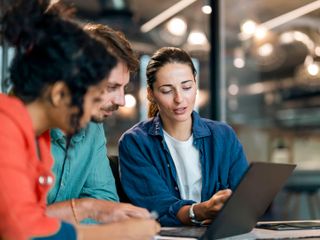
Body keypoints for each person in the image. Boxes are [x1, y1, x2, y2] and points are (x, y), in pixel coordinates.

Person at [0, 1, 159, 239]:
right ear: (59, 94)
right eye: (93, 97)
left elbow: (37, 221)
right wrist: (119, 232)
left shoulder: (38, 138)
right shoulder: (5, 127)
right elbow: (23, 231)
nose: (91, 112)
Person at [119, 47, 249, 226]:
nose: (179, 98)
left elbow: (244, 200)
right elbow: (157, 208)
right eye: (166, 90)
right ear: (151, 94)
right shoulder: (135, 142)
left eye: (187, 87)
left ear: (195, 86)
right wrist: (199, 211)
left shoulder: (224, 136)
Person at [46, 23, 150, 224]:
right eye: (112, 87)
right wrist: (87, 209)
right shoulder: (15, 128)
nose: (121, 100)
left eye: (124, 87)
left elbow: (106, 204)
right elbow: (17, 223)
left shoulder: (93, 129)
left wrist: (88, 212)